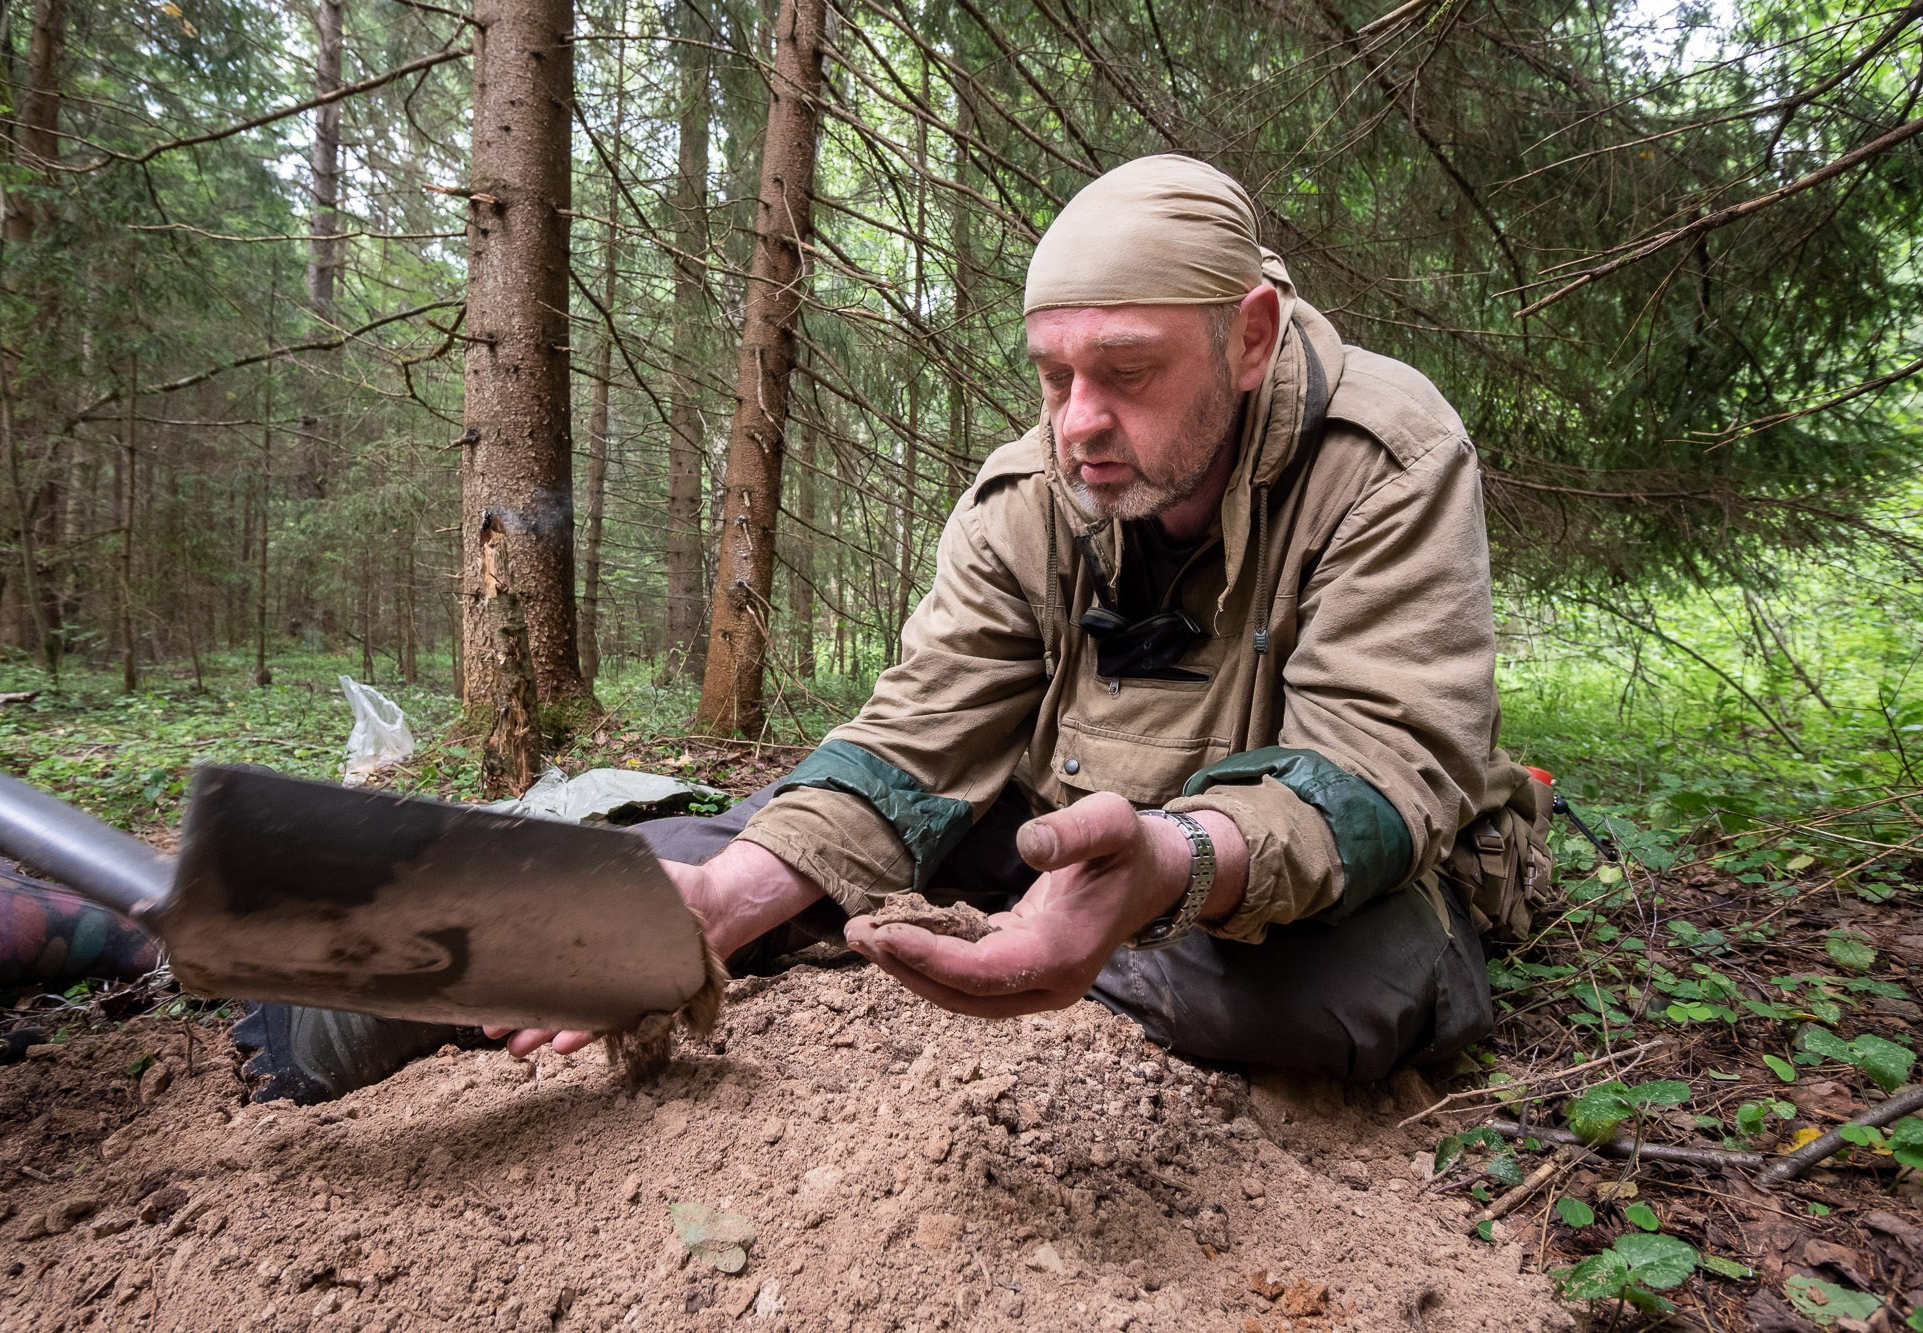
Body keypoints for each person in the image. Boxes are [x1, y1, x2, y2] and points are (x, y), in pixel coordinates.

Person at [482, 152, 1540, 1084]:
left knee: (1349, 990)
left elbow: (1376, 768)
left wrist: (1168, 864)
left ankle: (990, 947)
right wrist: (724, 897)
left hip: (1268, 876)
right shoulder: (1024, 491)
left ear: (1249, 338)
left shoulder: (1383, 461)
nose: (1077, 422)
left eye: (1126, 372)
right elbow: (915, 743)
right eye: (1052, 377)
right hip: (1051, 824)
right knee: (677, 870)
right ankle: (328, 1030)